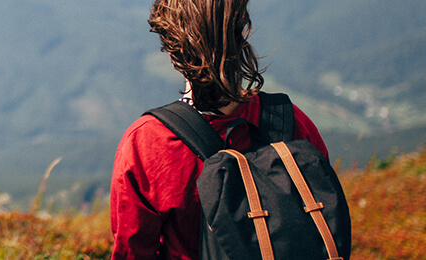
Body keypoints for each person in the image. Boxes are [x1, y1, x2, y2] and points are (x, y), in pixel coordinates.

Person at [108, 0, 330, 258]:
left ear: (172, 50)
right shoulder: (292, 121)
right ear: (241, 35)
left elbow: (132, 250)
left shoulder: (147, 142)